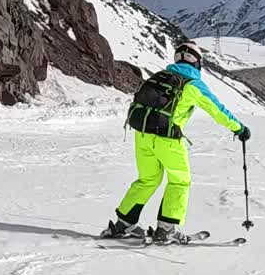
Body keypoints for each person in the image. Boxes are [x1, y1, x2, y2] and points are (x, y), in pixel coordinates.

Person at [101, 42, 250, 244]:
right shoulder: (192, 85)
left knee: (147, 180)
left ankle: (123, 223)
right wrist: (239, 128)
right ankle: (166, 230)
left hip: (142, 135)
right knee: (180, 180)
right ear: (197, 63)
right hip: (168, 139)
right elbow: (217, 110)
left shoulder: (159, 77)